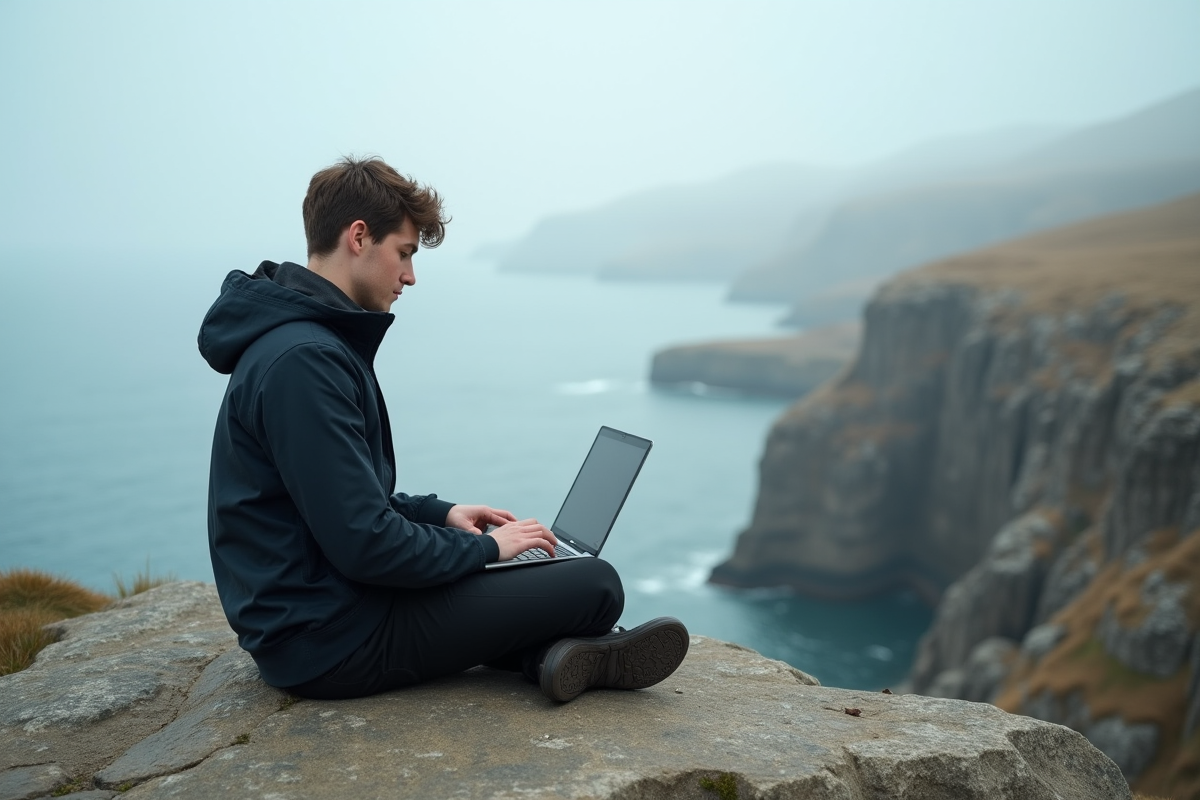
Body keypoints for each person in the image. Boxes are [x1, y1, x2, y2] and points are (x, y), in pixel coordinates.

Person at [197, 155, 687, 702]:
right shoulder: (306, 360)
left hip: (327, 612)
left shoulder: (300, 342)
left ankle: (545, 656)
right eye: (403, 253)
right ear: (358, 237)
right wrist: (488, 551)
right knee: (595, 584)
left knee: (523, 571)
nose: (410, 275)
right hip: (330, 641)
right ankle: (555, 649)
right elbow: (367, 544)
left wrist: (441, 515)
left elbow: (338, 508)